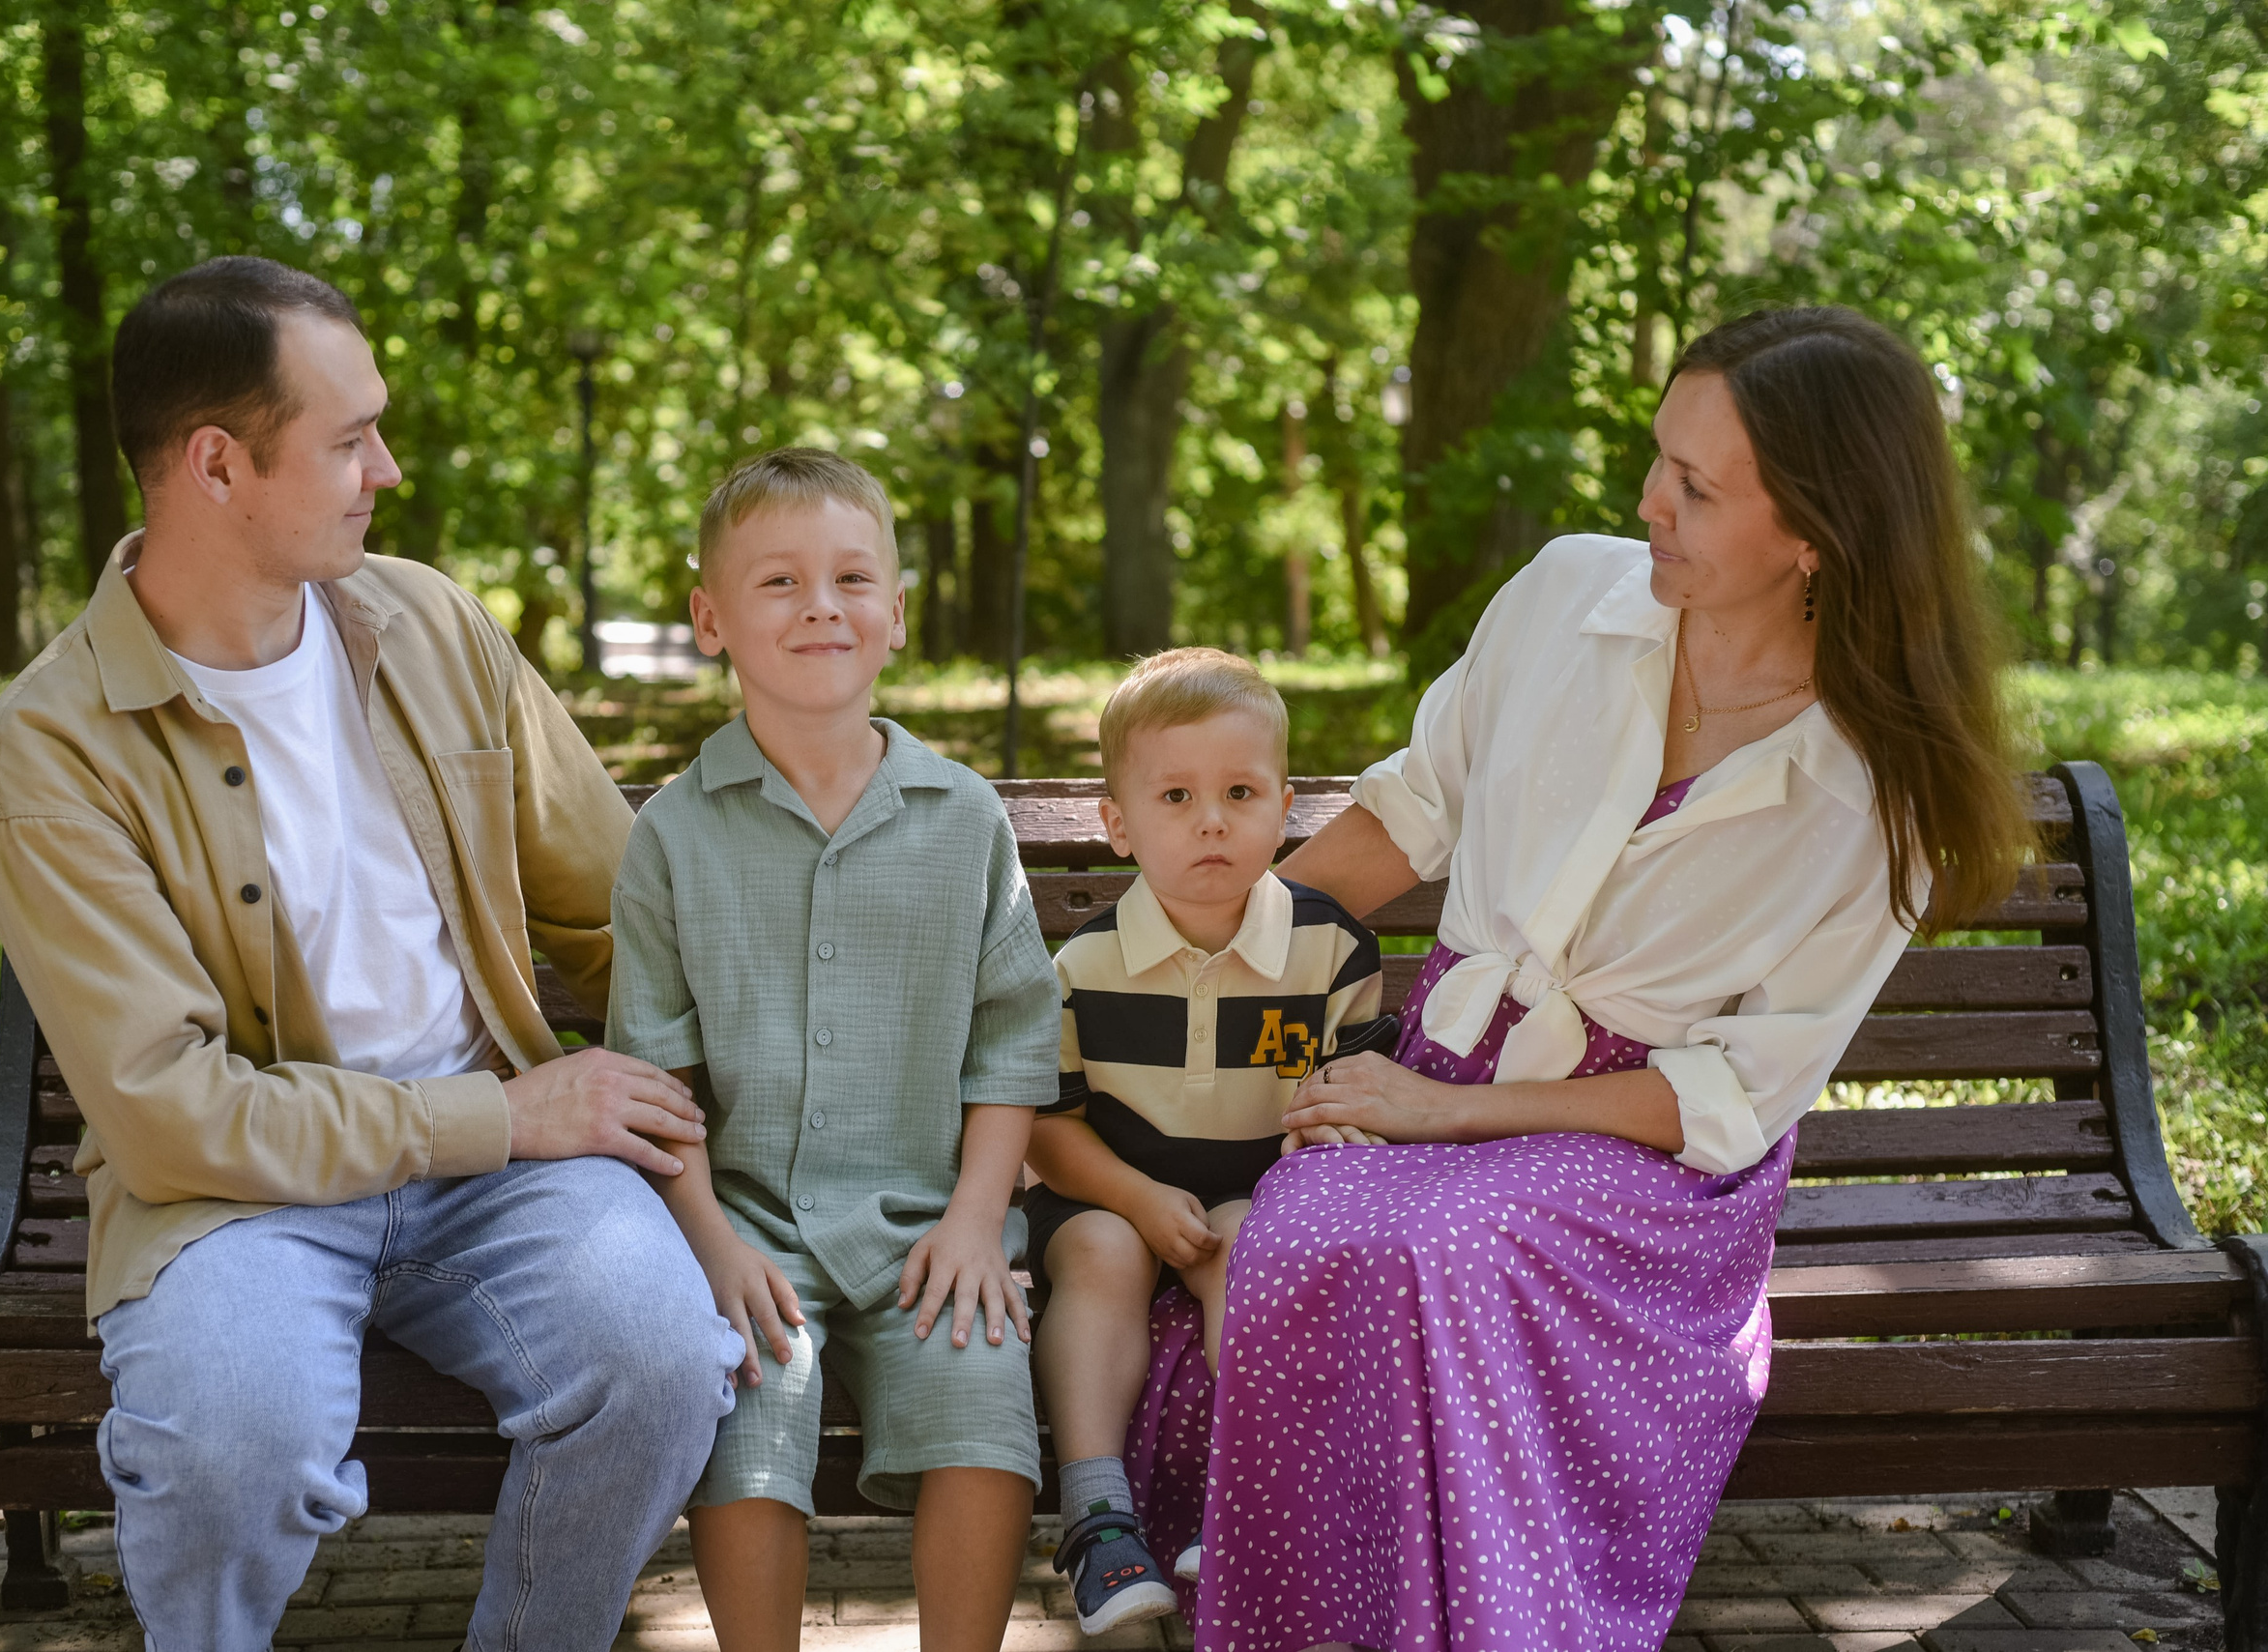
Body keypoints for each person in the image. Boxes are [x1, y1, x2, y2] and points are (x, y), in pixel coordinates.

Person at [1141, 306, 2030, 1651]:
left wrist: (1450, 1116)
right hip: (1424, 1071)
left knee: (1442, 1251)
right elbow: (1407, 814)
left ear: (1817, 534)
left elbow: (1730, 1094)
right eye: (1657, 455)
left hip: (1642, 1166)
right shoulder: (1568, 593)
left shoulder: (1882, 792)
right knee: (1308, 1236)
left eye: (1696, 485)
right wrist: (1206, 973)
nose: (1646, 500)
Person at [0, 256, 741, 1647]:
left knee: (667, 1357)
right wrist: (501, 1112)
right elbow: (168, 1112)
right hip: (233, 1198)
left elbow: (626, 918)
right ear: (217, 464)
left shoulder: (431, 625)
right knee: (230, 1443)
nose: (384, 468)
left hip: (506, 1176)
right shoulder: (54, 748)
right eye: (347, 439)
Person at [607, 447, 1061, 1652]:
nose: (821, 604)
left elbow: (1014, 1040)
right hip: (745, 1218)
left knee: (979, 1396)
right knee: (748, 1411)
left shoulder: (961, 817)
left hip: (929, 1220)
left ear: (897, 613)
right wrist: (708, 1240)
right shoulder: (669, 834)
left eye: (853, 576)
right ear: (710, 619)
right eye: (777, 582)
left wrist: (975, 1217)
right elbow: (653, 1079)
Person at [1023, 648, 1394, 1633]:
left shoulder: (1328, 948)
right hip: (1107, 1186)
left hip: (1259, 1183)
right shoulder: (1085, 966)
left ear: (1285, 804)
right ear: (1118, 822)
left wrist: (1302, 1166)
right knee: (1101, 1250)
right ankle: (1098, 1518)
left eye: (1240, 791)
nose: (1212, 820)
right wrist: (1137, 1198)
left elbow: (1353, 1094)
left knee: (1247, 1245)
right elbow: (1048, 1133)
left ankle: (1247, 1500)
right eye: (1176, 795)